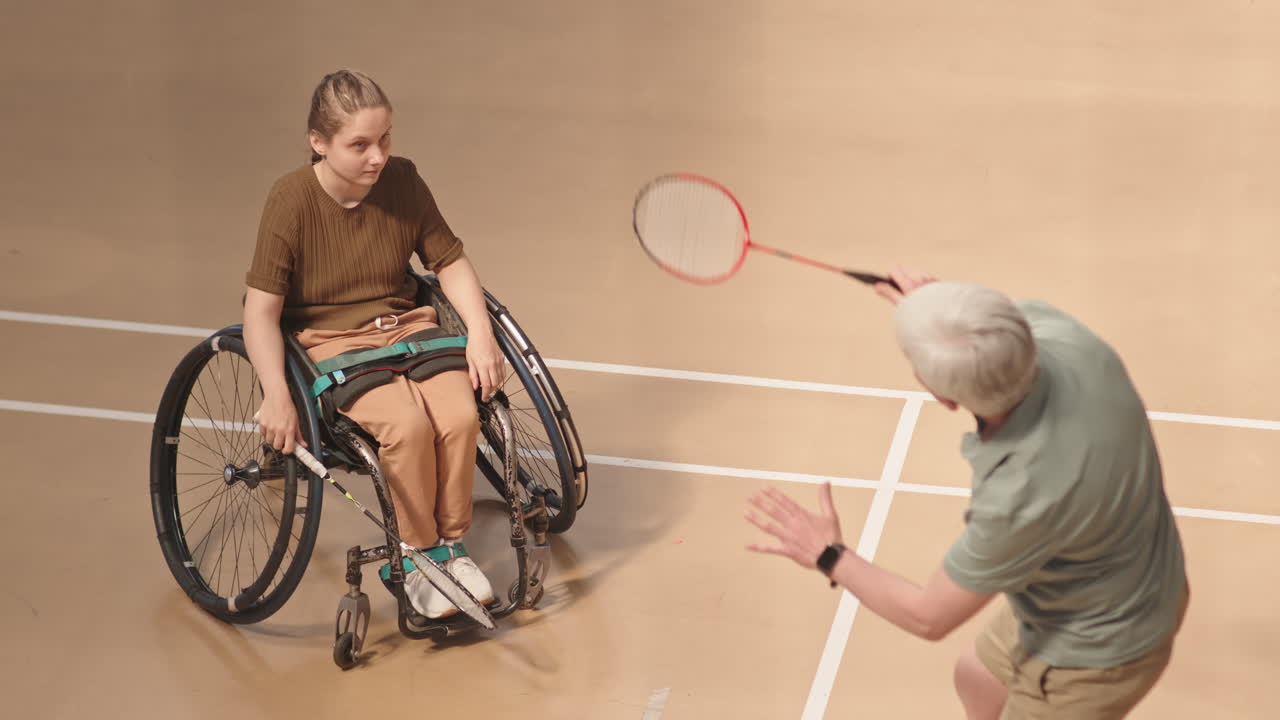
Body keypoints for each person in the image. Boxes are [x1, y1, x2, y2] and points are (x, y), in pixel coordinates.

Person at [745, 267, 1188, 719]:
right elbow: (997, 325)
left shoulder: (1019, 493)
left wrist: (827, 554)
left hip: (1099, 650)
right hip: (1126, 570)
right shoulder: (1068, 339)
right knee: (977, 678)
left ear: (941, 396)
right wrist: (940, 310)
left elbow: (927, 616)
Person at [243, 69, 502, 620]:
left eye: (384, 139)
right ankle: (411, 558)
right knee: (406, 428)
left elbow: (449, 261)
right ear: (319, 143)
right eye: (359, 144)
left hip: (406, 327)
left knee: (459, 417)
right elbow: (260, 313)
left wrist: (480, 335)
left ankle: (449, 549)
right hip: (331, 340)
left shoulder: (403, 181)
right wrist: (276, 394)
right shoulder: (291, 200)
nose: (377, 156)